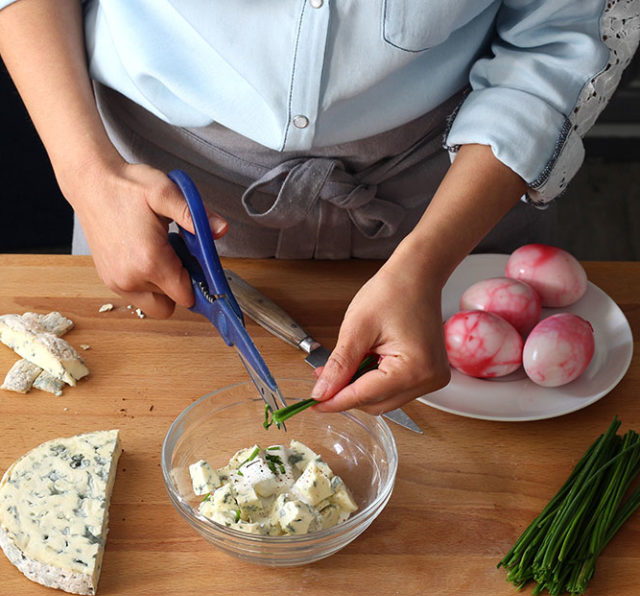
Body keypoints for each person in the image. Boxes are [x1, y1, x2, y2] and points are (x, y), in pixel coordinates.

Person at [0, 1, 638, 416]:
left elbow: (563, 39)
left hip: (449, 183)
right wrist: (88, 174)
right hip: (153, 183)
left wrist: (427, 262)